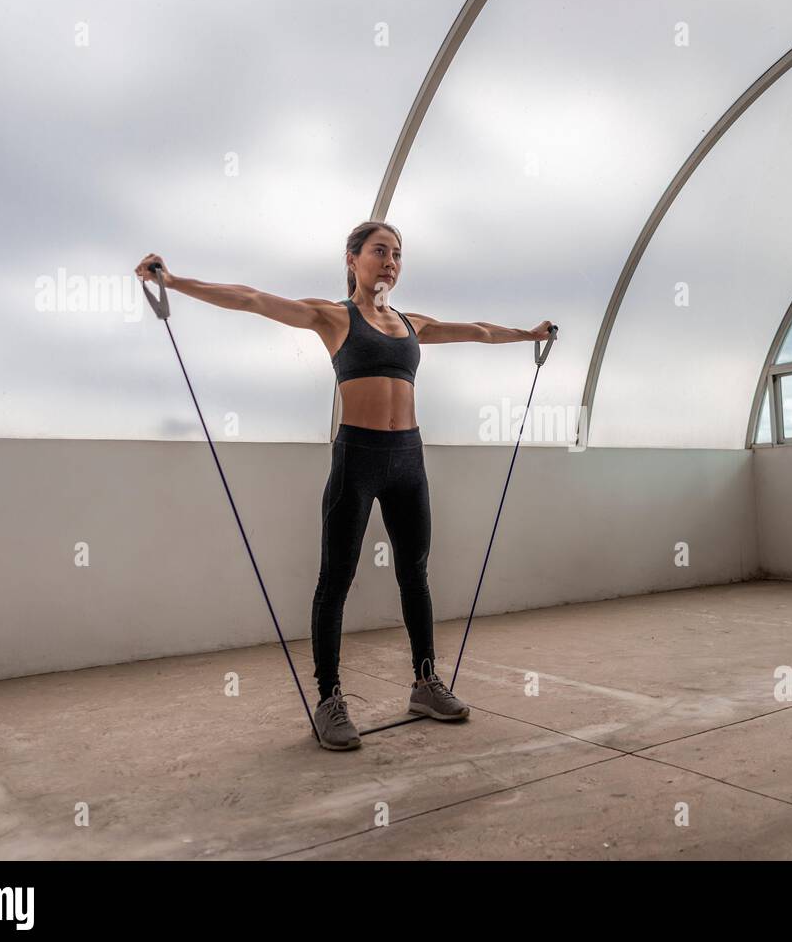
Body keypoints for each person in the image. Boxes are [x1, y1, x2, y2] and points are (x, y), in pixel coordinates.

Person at [135, 223, 555, 750]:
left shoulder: (411, 323)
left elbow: (480, 330)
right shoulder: (334, 317)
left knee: (415, 573)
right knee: (335, 579)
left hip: (408, 459)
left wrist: (531, 335)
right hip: (357, 457)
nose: (391, 262)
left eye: (398, 254)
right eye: (380, 251)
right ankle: (330, 698)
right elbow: (252, 299)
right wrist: (173, 281)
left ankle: (425, 683)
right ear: (352, 258)